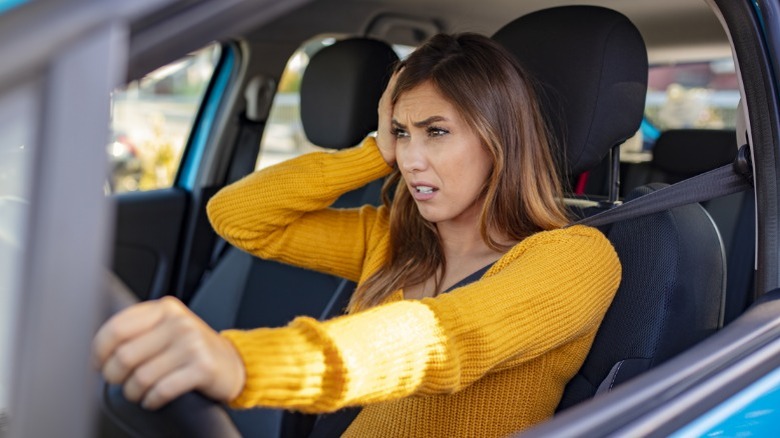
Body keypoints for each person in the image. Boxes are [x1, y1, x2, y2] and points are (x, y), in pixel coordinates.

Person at [93, 33, 621, 436]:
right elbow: (237, 215)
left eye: (437, 132)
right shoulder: (393, 240)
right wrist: (373, 151)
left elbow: (443, 340)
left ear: (499, 138)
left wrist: (239, 362)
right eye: (402, 133)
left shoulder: (573, 258)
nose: (411, 161)